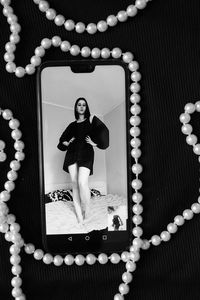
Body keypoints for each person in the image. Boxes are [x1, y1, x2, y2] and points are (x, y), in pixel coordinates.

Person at [57, 97, 109, 223]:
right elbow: (61, 141)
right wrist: (68, 143)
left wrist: (95, 143)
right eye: (79, 105)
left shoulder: (91, 119)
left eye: (84, 105)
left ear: (86, 107)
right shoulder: (72, 125)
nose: (81, 107)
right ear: (76, 107)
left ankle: (88, 209)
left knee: (82, 182)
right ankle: (79, 216)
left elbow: (104, 131)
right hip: (72, 153)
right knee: (75, 184)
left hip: (86, 153)